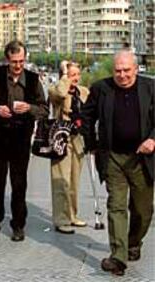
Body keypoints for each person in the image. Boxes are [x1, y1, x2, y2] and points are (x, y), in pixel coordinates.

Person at [81, 49, 154, 276]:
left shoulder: (150, 88)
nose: (122, 75)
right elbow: (87, 115)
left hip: (142, 158)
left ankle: (133, 242)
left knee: (143, 211)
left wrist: (153, 139)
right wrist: (91, 143)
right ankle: (118, 257)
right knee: (116, 206)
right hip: (112, 157)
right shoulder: (101, 89)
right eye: (117, 71)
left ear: (136, 69)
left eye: (126, 71)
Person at [0, 40, 48, 243]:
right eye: (14, 61)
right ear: (7, 59)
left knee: (19, 182)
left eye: (21, 61)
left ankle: (18, 225)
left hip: (21, 138)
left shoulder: (33, 80)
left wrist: (29, 109)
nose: (18, 65)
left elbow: (44, 109)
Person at [48, 61, 89, 234]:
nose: (76, 79)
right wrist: (64, 75)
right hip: (61, 137)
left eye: (77, 75)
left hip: (78, 138)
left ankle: (72, 214)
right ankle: (61, 219)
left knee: (74, 180)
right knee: (61, 180)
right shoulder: (55, 90)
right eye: (72, 75)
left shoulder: (84, 91)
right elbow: (61, 92)